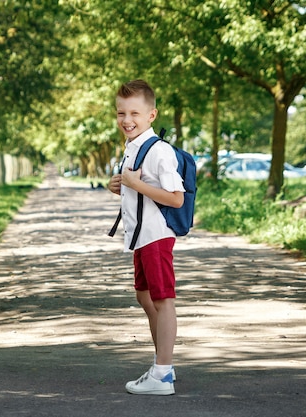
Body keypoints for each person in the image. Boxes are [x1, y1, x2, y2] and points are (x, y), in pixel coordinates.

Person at [107, 79, 185, 396]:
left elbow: (176, 198)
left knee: (162, 300)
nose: (127, 120)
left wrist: (134, 185)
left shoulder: (159, 151)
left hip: (156, 236)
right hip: (141, 237)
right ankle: (161, 361)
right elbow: (136, 184)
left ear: (151, 115)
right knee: (144, 297)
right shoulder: (133, 147)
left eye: (135, 113)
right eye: (121, 113)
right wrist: (121, 185)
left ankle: (163, 374)